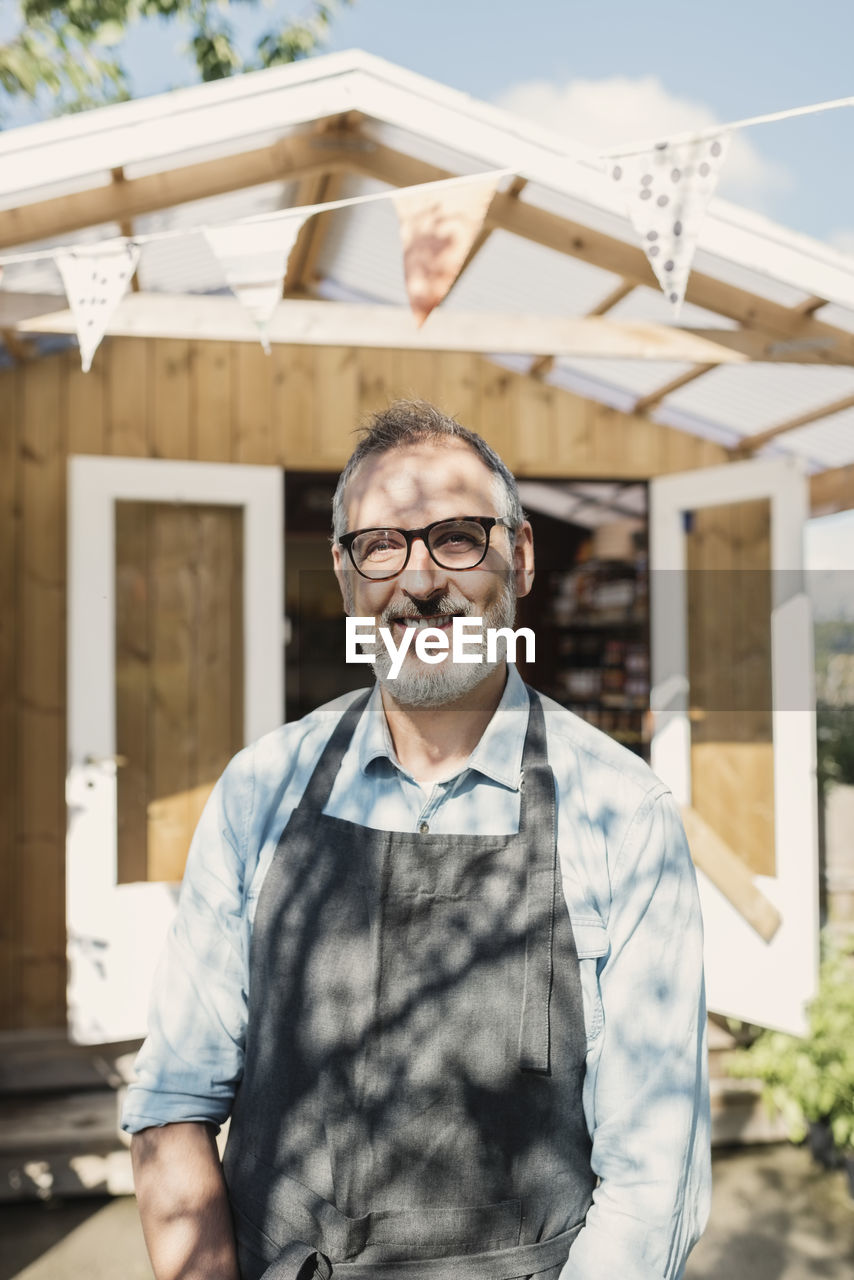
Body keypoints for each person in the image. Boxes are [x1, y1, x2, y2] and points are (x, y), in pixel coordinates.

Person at [123, 399, 711, 1280]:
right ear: (346, 574)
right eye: (383, 546)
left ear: (520, 555)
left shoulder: (622, 814)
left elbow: (650, 1183)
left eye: (458, 538)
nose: (420, 579)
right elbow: (174, 1102)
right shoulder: (261, 790)